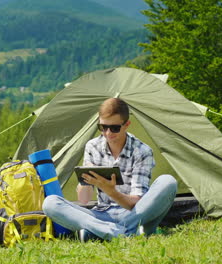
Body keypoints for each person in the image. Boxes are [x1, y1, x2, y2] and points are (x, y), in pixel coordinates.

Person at [42, 98, 177, 242]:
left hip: (135, 214)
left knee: (168, 182)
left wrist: (110, 191)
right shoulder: (92, 147)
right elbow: (84, 199)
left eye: (114, 128)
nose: (108, 133)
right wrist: (85, 180)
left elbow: (136, 204)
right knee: (50, 203)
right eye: (103, 127)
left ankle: (101, 233)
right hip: (101, 214)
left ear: (126, 125)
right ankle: (122, 233)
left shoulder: (142, 151)